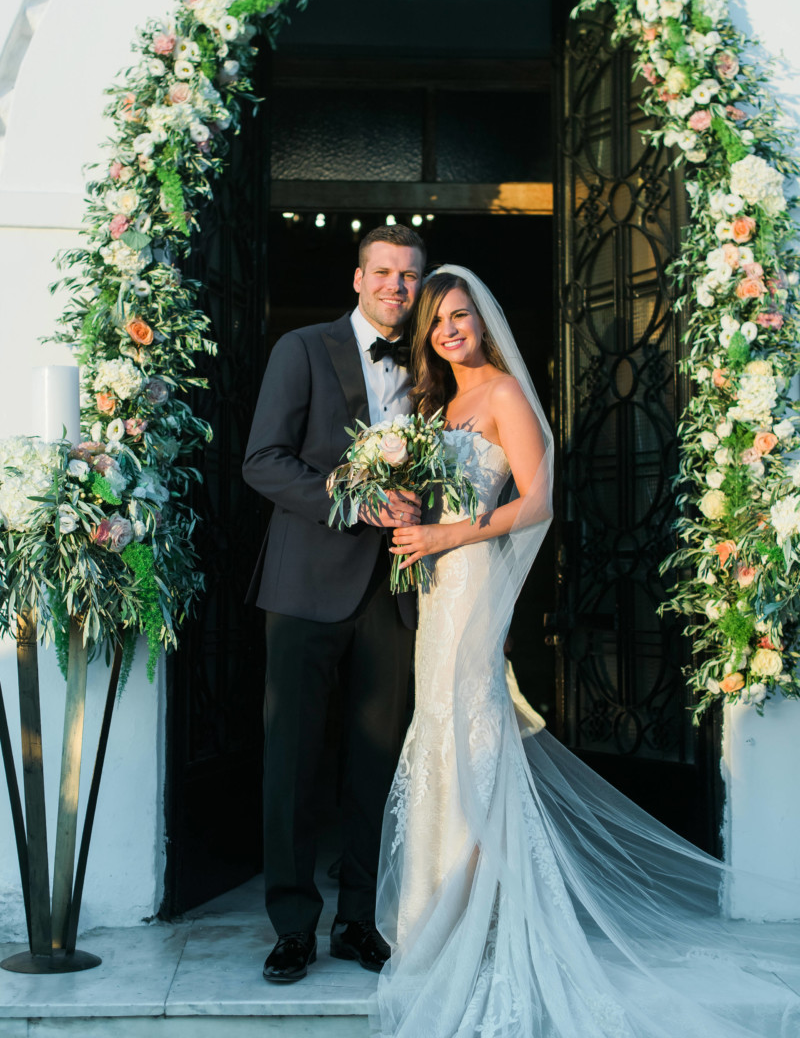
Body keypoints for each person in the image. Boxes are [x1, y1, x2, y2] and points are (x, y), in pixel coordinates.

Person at [374, 265, 800, 1038]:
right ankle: (436, 908)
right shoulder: (439, 404)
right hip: (436, 585)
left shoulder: (503, 393)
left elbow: (536, 501)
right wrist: (405, 509)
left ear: (484, 320)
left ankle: (476, 910)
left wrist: (451, 534)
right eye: (438, 321)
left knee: (471, 729)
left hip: (469, 576)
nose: (450, 330)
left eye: (461, 315)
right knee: (438, 728)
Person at [242, 224, 425, 984]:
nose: (395, 287)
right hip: (304, 584)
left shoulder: (433, 364)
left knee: (378, 762)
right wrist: (354, 498)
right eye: (382, 272)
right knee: (292, 759)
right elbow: (263, 463)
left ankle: (358, 920)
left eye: (409, 276)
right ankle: (292, 926)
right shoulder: (303, 349)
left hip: (400, 591)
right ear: (357, 279)